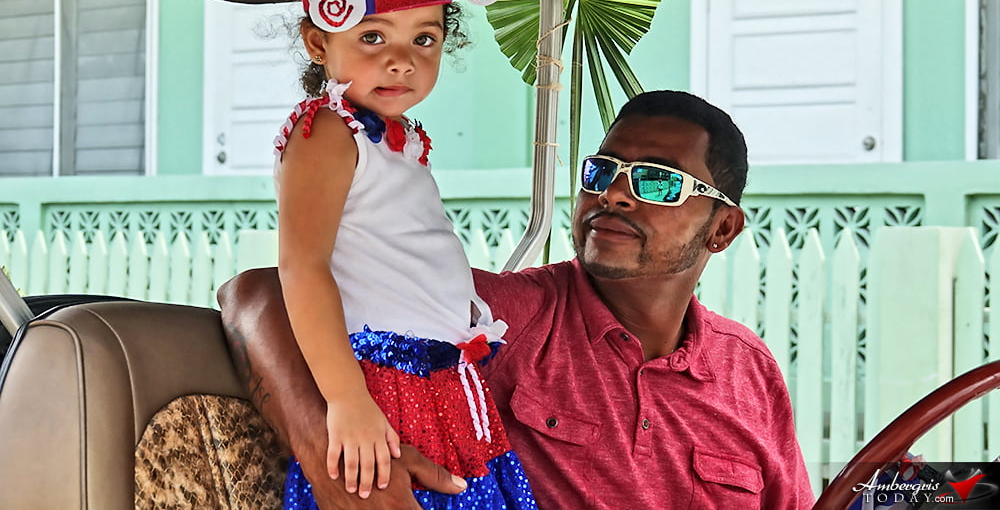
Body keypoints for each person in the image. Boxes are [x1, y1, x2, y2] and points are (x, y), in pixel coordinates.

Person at [219, 90, 817, 509]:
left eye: (657, 181)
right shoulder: (510, 317)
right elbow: (254, 295)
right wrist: (329, 451)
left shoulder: (750, 372)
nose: (613, 194)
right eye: (601, 171)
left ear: (722, 229)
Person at [231, 0, 535, 508]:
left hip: (448, 382)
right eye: (373, 37)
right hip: (382, 381)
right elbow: (302, 268)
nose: (402, 60)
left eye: (424, 38)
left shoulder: (397, 140)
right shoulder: (326, 133)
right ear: (319, 42)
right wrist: (347, 400)